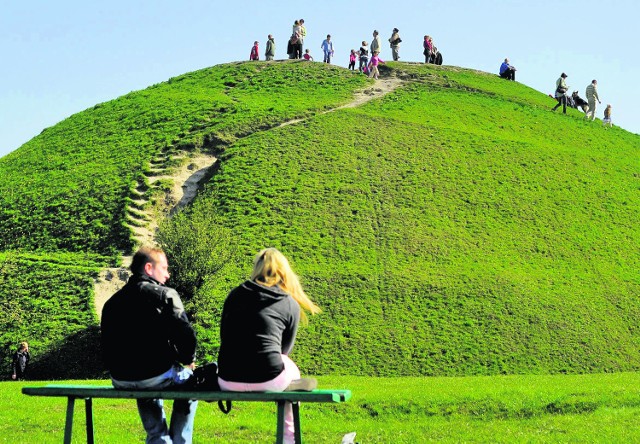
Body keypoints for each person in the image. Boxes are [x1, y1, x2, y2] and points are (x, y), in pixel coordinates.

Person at [217, 248, 321, 444]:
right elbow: (285, 350)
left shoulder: (234, 294)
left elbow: (225, 336)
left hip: (227, 379)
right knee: (290, 366)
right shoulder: (289, 302)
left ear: (256, 268)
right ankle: (288, 437)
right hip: (268, 378)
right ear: (285, 271)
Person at [101, 247, 198, 444]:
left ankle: (158, 438)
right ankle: (180, 441)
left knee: (145, 377)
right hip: (155, 375)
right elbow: (186, 335)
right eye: (164, 268)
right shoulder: (165, 295)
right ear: (148, 268)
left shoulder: (112, 302)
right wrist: (188, 360)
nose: (168, 274)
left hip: (120, 378)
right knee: (190, 381)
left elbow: (105, 345)